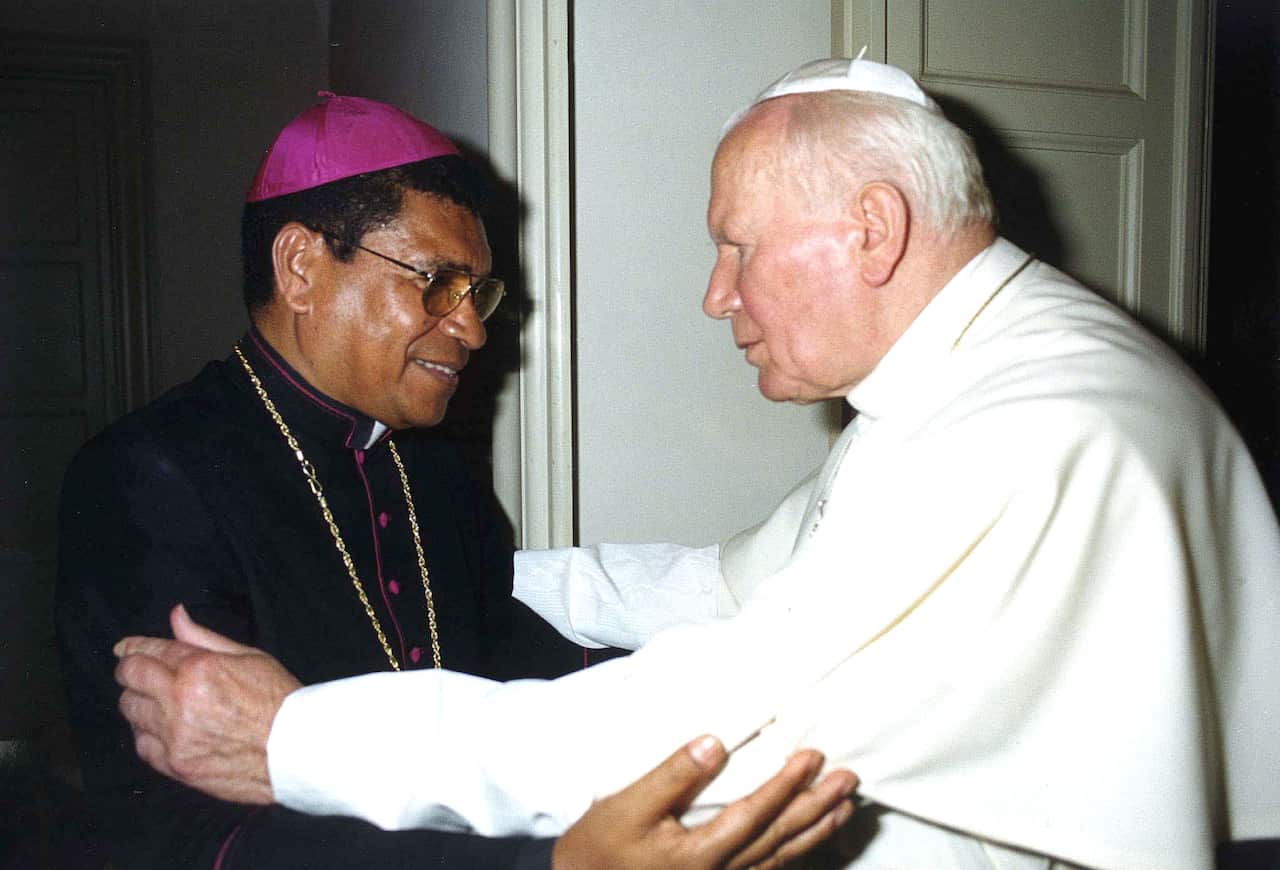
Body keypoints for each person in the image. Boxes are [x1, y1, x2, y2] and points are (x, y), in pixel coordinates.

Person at [114, 58, 1280, 869]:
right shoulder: (970, 371)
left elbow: (718, 721)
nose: (714, 293)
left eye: (736, 245)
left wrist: (295, 738)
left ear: (869, 229)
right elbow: (731, 585)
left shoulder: (1032, 425)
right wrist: (471, 582)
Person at [56, 92, 857, 869]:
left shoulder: (429, 462)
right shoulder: (146, 477)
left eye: (479, 293)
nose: (472, 328)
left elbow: (504, 654)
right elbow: (189, 840)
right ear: (301, 267)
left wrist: (728, 726)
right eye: (437, 283)